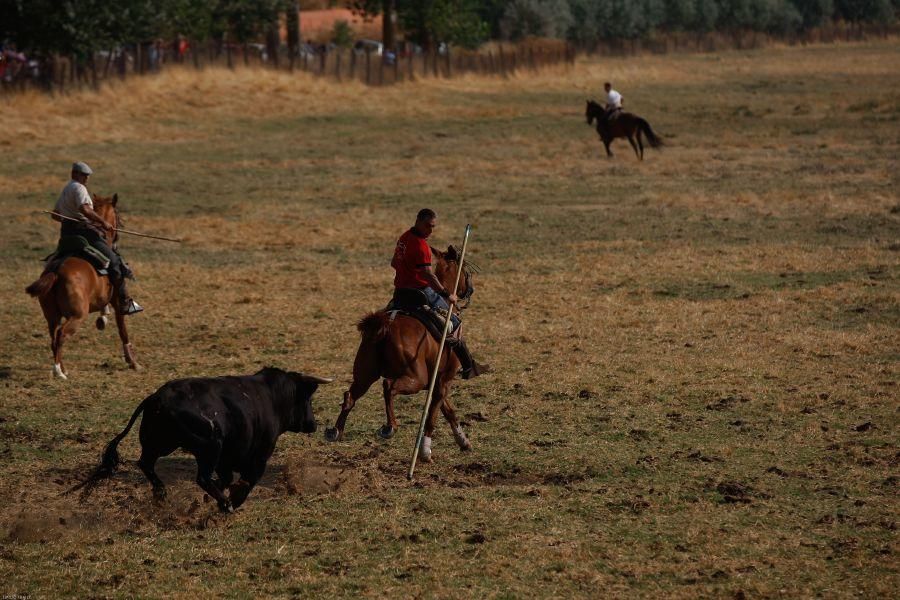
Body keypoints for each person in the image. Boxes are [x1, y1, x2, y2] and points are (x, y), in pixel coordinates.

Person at [391, 208, 490, 379]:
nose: (430, 231)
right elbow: (428, 275)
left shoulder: (404, 238)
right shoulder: (421, 246)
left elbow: (394, 263)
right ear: (418, 221)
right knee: (455, 321)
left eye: (433, 227)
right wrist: (446, 293)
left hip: (400, 292)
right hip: (421, 292)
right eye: (428, 226)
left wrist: (407, 272)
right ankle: (468, 367)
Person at [51, 162, 143, 315]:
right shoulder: (79, 188)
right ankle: (125, 303)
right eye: (84, 175)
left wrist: (69, 221)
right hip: (84, 233)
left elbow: (55, 214)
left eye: (87, 176)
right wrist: (103, 222)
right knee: (114, 260)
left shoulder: (66, 189)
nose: (86, 178)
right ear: (74, 174)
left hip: (66, 233)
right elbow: (85, 209)